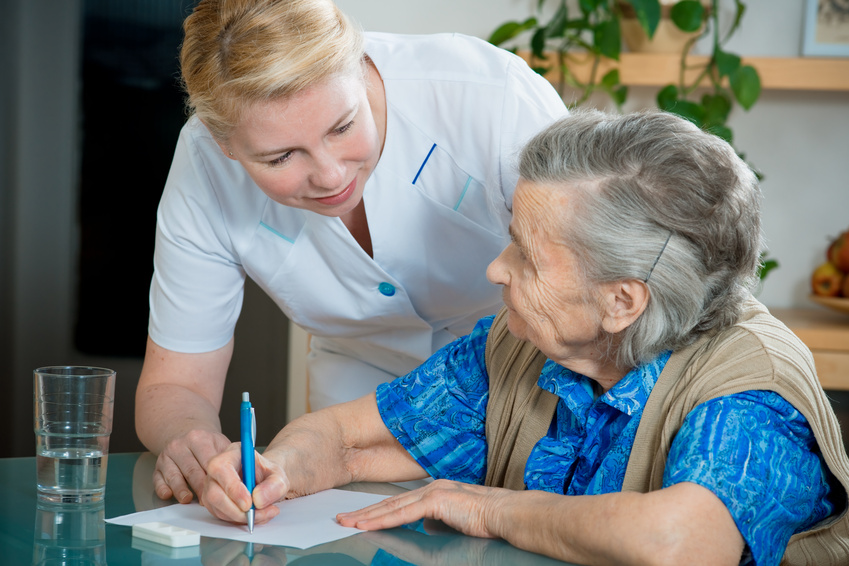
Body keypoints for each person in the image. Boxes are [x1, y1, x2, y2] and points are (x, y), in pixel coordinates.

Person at [199, 110, 849, 566]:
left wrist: (490, 509)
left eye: (526, 256)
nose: (495, 269)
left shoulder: (752, 393)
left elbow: (680, 546)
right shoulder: (521, 344)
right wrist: (274, 471)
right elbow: (346, 442)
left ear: (621, 301)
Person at [134, 0, 567, 505]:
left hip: (526, 368)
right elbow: (176, 384)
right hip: (358, 395)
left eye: (342, 127)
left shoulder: (489, 97)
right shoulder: (205, 169)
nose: (331, 175)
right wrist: (191, 441)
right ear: (223, 143)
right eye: (281, 156)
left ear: (361, 66)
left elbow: (588, 285)